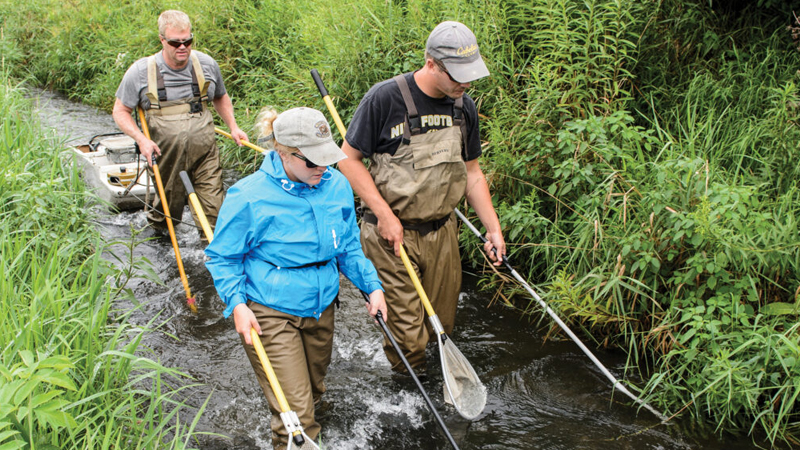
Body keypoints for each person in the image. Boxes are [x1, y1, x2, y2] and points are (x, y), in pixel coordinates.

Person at [205, 106, 387, 449]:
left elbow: (347, 247)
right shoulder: (248, 197)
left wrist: (372, 286)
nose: (323, 167)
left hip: (322, 306)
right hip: (270, 311)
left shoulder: (336, 187)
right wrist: (238, 305)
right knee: (297, 419)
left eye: (327, 159)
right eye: (312, 161)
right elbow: (222, 257)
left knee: (315, 391)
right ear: (283, 153)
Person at [338, 21, 507, 375]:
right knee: (409, 341)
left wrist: (492, 228)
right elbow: (347, 160)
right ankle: (408, 396)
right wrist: (384, 215)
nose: (466, 83)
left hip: (443, 234)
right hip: (391, 236)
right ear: (431, 64)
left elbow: (473, 172)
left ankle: (422, 381)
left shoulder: (464, 107)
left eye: (470, 74)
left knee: (439, 328)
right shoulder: (384, 99)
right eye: (458, 75)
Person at [112, 9, 247, 238]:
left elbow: (220, 97)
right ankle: (160, 245)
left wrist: (233, 127)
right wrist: (142, 140)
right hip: (166, 157)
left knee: (215, 215)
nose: (183, 47)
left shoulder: (206, 65)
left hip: (205, 153)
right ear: (162, 40)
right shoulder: (140, 72)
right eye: (175, 43)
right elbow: (120, 111)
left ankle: (212, 259)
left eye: (188, 41)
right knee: (166, 216)